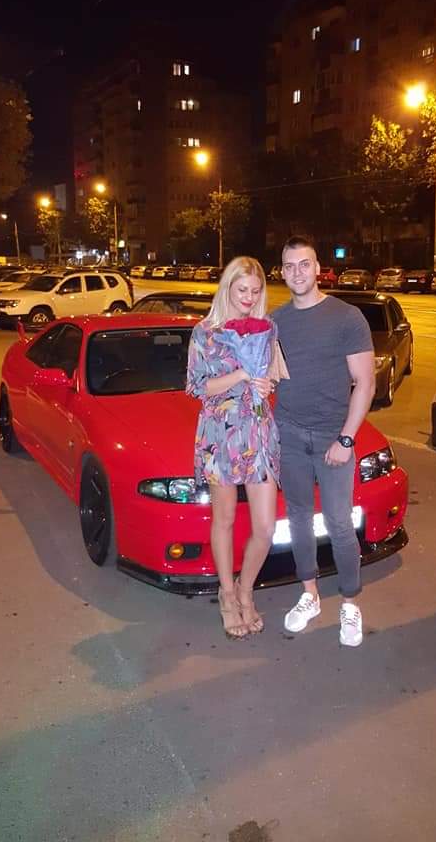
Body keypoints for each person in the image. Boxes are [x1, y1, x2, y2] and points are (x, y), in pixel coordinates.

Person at [272, 236, 375, 646]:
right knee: (297, 518)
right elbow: (270, 377)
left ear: (318, 269)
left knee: (339, 522)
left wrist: (346, 440)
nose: (297, 272)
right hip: (289, 435)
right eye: (289, 265)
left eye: (304, 264)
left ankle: (350, 602)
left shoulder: (346, 317)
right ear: (282, 272)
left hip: (333, 437)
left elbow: (365, 384)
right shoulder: (276, 322)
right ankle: (309, 595)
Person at [186, 256, 280, 639]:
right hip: (220, 433)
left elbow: (273, 375)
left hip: (257, 431)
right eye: (242, 289)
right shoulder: (205, 332)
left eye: (255, 291)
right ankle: (227, 595)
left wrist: (266, 384)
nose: (249, 297)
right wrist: (241, 374)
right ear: (227, 287)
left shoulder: (267, 328)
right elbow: (197, 387)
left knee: (266, 527)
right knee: (223, 519)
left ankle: (245, 589)